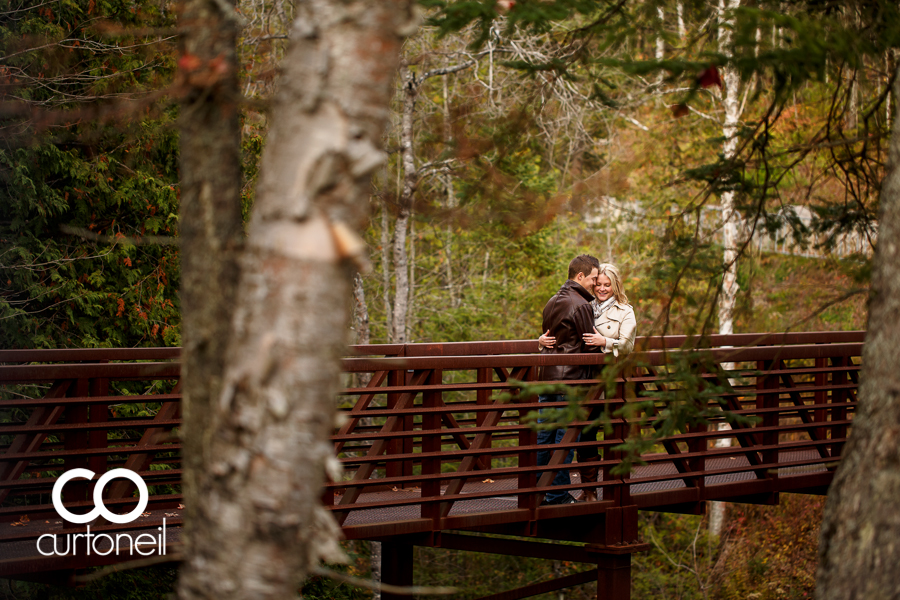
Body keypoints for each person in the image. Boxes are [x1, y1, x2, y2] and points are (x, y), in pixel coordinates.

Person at [539, 262, 636, 502]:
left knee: (604, 437)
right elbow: (564, 336)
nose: (601, 288)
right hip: (584, 382)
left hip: (609, 387)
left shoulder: (625, 311)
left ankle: (611, 492)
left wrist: (606, 343)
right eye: (598, 283)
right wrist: (539, 341)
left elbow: (628, 345)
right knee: (583, 438)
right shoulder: (583, 304)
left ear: (615, 286)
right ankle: (589, 491)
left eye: (606, 285)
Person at [536, 254, 600, 506]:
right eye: (594, 279)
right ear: (580, 276)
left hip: (548, 379)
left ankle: (542, 493)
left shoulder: (552, 301)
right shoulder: (581, 304)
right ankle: (558, 495)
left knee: (545, 439)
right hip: (570, 382)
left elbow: (549, 339)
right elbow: (590, 346)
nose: (596, 285)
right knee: (564, 441)